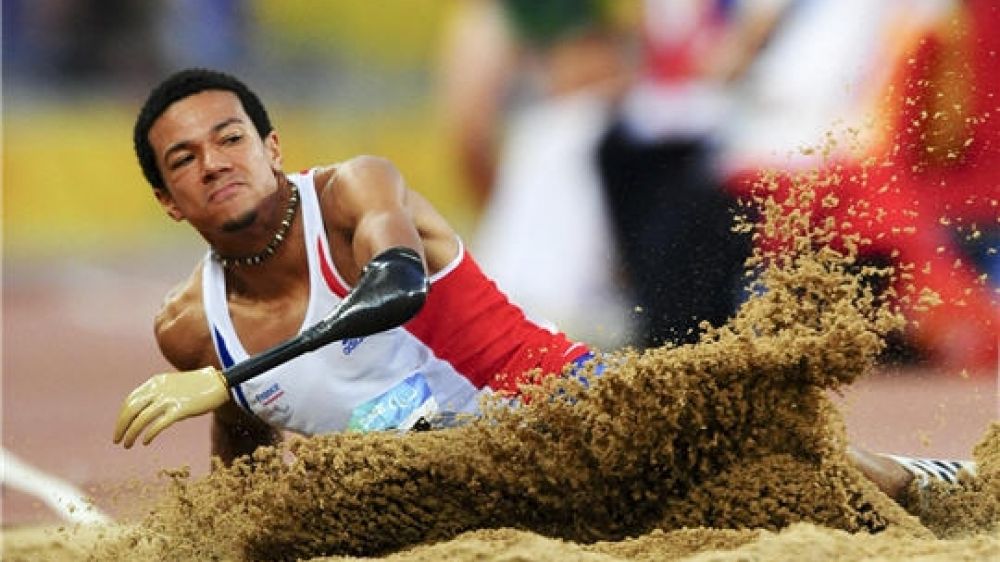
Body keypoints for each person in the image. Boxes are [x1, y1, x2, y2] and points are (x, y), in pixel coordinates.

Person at [113, 68, 971, 503]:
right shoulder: (192, 331)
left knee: (741, 447)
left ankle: (930, 481)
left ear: (272, 148)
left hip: (559, 408)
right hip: (445, 489)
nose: (213, 164)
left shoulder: (349, 193)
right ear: (164, 200)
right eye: (184, 160)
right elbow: (247, 466)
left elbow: (396, 287)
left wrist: (227, 380)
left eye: (229, 139)